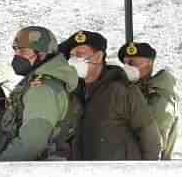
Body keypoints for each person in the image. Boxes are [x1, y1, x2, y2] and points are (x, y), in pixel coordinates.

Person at [61, 30, 162, 160]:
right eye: (72, 55)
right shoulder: (74, 92)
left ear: (97, 57)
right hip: (85, 174)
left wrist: (147, 171)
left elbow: (149, 136)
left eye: (79, 54)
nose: (73, 60)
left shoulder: (123, 91)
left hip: (120, 175)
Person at [0, 26, 79, 161]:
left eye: (22, 51)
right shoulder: (45, 83)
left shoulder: (42, 90)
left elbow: (32, 142)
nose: (16, 56)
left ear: (42, 54)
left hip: (34, 173)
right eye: (15, 50)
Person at [118, 41, 179, 160]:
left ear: (149, 62)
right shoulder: (131, 90)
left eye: (132, 62)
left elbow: (154, 140)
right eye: (125, 63)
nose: (127, 67)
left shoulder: (159, 96)